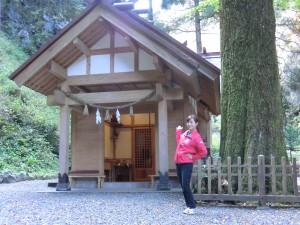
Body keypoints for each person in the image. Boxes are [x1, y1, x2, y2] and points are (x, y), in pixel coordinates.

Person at [174, 115, 207, 215]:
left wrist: (193, 157)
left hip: (186, 164)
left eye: (191, 122)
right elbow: (179, 143)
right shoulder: (185, 133)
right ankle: (188, 206)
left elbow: (203, 152)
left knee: (185, 185)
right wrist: (178, 132)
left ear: (196, 124)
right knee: (183, 186)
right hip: (178, 163)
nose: (189, 124)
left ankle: (192, 207)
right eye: (188, 122)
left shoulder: (196, 137)